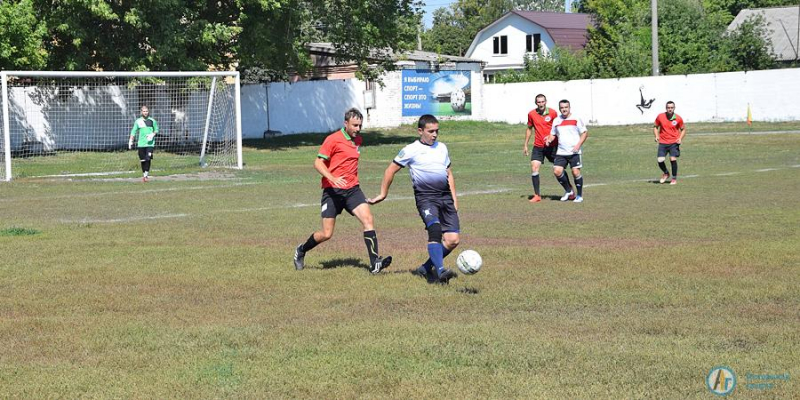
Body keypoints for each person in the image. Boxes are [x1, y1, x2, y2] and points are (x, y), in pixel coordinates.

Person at [293, 108, 391, 274]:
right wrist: (332, 178)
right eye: (354, 125)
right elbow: (318, 163)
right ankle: (301, 250)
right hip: (332, 192)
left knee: (368, 219)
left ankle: (375, 263)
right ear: (345, 123)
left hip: (353, 190)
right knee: (326, 233)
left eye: (360, 125)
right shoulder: (333, 139)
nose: (357, 129)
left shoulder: (358, 140)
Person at [368, 114, 459, 284]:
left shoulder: (442, 148)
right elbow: (390, 170)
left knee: (453, 240)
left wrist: (454, 197)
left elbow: (449, 173)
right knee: (435, 230)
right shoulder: (410, 149)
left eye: (436, 131)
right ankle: (439, 272)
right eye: (430, 131)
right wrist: (383, 194)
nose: (434, 135)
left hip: (445, 198)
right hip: (426, 199)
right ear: (420, 131)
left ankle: (424, 269)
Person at [546, 99, 588, 203]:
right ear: (559, 109)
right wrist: (549, 139)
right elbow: (553, 134)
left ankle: (579, 195)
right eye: (562, 108)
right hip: (561, 152)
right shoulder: (556, 120)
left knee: (575, 172)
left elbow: (584, 133)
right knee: (557, 171)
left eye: (566, 107)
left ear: (569, 108)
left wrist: (578, 145)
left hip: (574, 152)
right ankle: (569, 191)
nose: (564, 109)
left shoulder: (576, 119)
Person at [523, 94, 559, 203]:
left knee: (559, 169)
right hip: (538, 146)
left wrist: (553, 138)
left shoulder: (553, 113)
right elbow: (529, 129)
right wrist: (525, 144)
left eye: (543, 101)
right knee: (534, 167)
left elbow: (558, 127)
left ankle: (569, 190)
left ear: (546, 102)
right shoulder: (531, 114)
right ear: (536, 103)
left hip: (552, 146)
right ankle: (537, 195)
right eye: (539, 102)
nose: (541, 104)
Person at [653, 101, 686, 185]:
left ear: (674, 108)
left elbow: (683, 130)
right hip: (663, 142)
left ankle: (674, 179)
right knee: (660, 160)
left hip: (673, 142)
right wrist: (656, 136)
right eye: (668, 107)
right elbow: (655, 127)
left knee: (672, 159)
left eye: (671, 107)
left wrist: (680, 138)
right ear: (666, 108)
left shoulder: (678, 118)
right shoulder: (660, 116)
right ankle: (666, 173)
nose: (670, 109)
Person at [129, 105, 158, 182]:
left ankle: (146, 175)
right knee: (143, 160)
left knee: (148, 159)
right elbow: (133, 131)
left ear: (148, 112)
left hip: (150, 144)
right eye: (144, 111)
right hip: (141, 144)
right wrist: (131, 141)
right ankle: (144, 174)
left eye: (147, 111)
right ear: (141, 112)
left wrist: (152, 135)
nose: (145, 113)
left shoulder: (152, 121)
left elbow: (156, 130)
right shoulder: (138, 121)